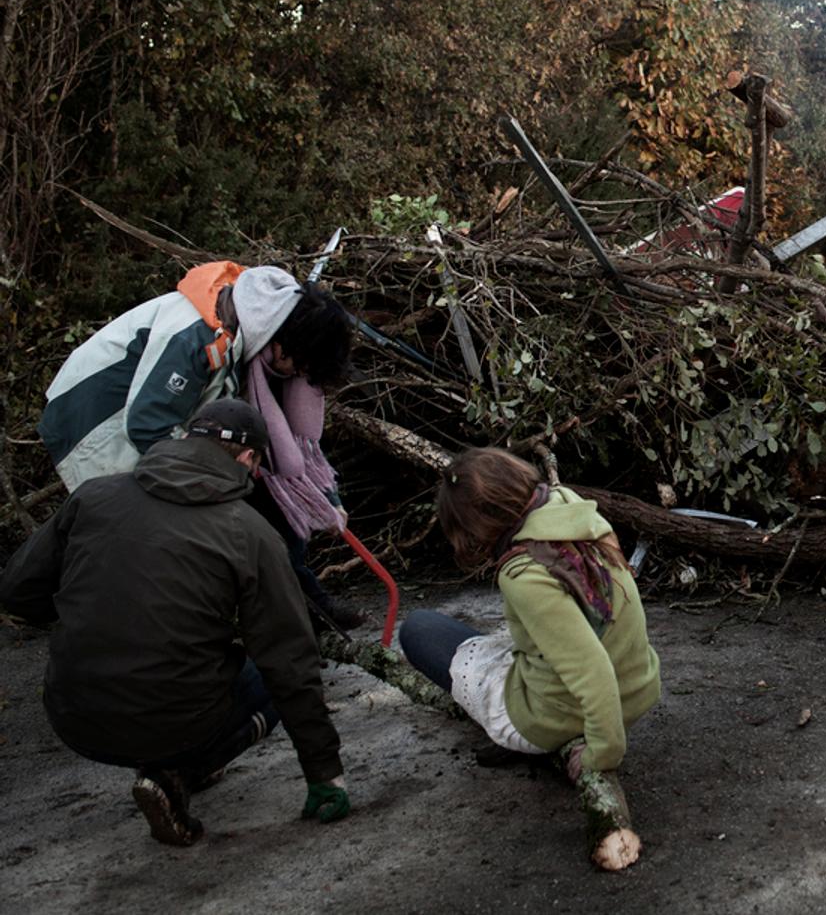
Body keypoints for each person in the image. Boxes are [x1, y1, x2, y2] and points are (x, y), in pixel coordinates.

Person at [0, 399, 350, 847]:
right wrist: (324, 772)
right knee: (269, 678)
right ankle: (178, 773)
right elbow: (290, 661)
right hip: (171, 723)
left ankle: (174, 765)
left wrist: (88, 611)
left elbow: (16, 591)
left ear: (185, 439)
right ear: (248, 458)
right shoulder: (250, 532)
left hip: (72, 716)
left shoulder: (93, 495)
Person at [37, 260, 361, 628]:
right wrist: (217, 477)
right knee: (161, 535)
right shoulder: (195, 336)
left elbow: (282, 438)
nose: (299, 378)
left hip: (166, 423)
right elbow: (148, 425)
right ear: (286, 347)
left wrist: (327, 498)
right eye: (301, 368)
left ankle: (309, 610)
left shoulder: (263, 330)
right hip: (98, 422)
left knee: (263, 505)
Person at [398, 447, 661, 780]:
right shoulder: (571, 508)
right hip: (638, 687)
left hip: (565, 716)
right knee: (508, 645)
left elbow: (591, 669)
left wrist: (602, 752)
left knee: (418, 629)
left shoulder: (524, 571)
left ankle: (529, 738)